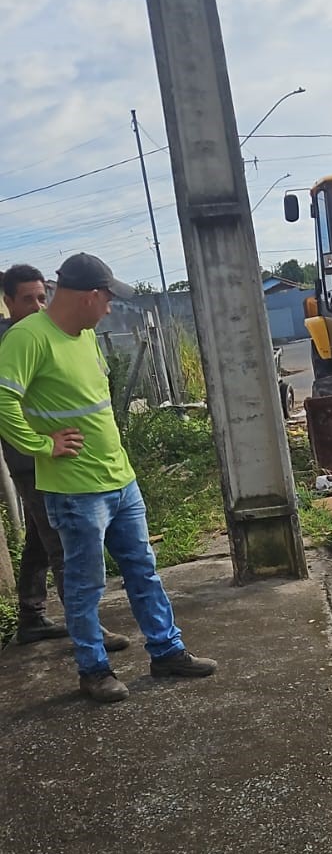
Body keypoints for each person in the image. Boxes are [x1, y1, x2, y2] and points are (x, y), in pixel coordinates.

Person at [0, 253, 216, 703]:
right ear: (88, 296)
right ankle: (94, 670)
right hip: (75, 490)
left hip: (120, 480)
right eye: (108, 299)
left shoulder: (85, 335)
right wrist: (43, 446)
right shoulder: (28, 338)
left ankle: (166, 651)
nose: (111, 309)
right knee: (84, 585)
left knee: (143, 570)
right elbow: (3, 401)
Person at [1, 265, 129, 650]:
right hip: (34, 460)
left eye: (43, 296)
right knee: (63, 547)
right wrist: (42, 445)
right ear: (8, 302)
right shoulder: (15, 341)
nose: (38, 305)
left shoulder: (56, 333)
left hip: (58, 458)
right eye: (28, 299)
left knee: (42, 539)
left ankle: (31, 614)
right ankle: (86, 633)